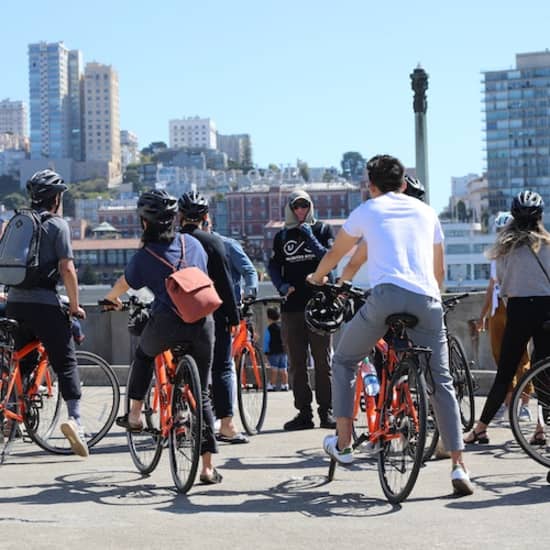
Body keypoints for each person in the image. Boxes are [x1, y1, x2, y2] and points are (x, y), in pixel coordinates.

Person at [307, 154, 474, 496]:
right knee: (440, 381)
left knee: (343, 359)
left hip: (385, 298)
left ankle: (343, 443)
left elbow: (338, 254)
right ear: (403, 184)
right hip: (427, 299)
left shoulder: (367, 211)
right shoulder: (427, 213)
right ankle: (459, 465)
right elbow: (438, 271)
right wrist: (431, 299)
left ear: (370, 186)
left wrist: (318, 277)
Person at [106, 189, 221, 483]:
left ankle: (134, 414)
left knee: (144, 354)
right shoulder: (193, 243)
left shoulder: (145, 256)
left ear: (145, 223)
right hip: (203, 321)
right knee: (202, 394)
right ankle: (207, 468)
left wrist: (110, 299)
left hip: (167, 322)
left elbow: (124, 283)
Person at [5, 169, 88, 457]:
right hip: (44, 303)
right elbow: (67, 269)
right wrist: (75, 306)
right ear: (56, 199)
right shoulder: (58, 226)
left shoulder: (15, 223)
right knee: (65, 361)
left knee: (20, 359)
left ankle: (11, 412)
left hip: (14, 302)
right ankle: (76, 420)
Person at [465, 190, 550, 447]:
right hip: (547, 308)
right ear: (540, 217)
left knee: (505, 372)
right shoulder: (548, 243)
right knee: (544, 370)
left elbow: (501, 283)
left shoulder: (504, 249)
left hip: (519, 309)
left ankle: (480, 428)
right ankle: (540, 427)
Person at [177, 191, 245, 444]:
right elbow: (226, 285)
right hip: (213, 314)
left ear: (180, 217)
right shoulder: (214, 242)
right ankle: (226, 424)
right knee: (222, 368)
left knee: (182, 369)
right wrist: (233, 317)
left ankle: (182, 420)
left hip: (179, 314)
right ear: (206, 216)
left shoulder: (174, 242)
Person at [268, 190, 336, 430]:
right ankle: (303, 413)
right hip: (292, 307)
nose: (300, 211)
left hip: (319, 306)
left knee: (322, 362)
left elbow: (329, 258)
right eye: (296, 207)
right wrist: (281, 286)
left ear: (310, 207)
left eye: (304, 206)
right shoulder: (282, 236)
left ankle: (326, 411)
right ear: (290, 208)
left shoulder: (322, 230)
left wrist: (309, 236)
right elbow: (273, 266)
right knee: (296, 363)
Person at [475, 212, 532, 429]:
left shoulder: (522, 250)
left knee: (522, 358)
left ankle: (524, 403)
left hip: (515, 305)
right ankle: (508, 401)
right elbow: (491, 286)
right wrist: (483, 316)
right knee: (501, 358)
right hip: (499, 309)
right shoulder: (498, 253)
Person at [263, 307, 289, 391]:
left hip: (273, 352)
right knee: (283, 370)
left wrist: (265, 352)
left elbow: (266, 341)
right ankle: (285, 385)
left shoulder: (269, 328)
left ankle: (272, 385)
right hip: (283, 352)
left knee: (274, 369)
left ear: (268, 318)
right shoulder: (283, 327)